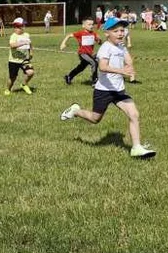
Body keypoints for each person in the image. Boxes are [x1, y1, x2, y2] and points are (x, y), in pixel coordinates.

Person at [60, 16, 156, 159]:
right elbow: (103, 67)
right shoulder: (105, 48)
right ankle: (75, 111)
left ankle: (136, 147)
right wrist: (122, 71)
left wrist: (129, 66)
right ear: (107, 34)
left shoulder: (121, 45)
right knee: (95, 118)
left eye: (122, 30)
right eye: (116, 31)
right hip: (103, 91)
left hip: (118, 90)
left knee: (134, 114)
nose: (120, 34)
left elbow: (127, 57)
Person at [60, 18, 100, 85]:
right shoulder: (80, 33)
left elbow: (99, 42)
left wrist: (99, 40)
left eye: (92, 24)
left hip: (90, 54)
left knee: (81, 67)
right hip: (83, 54)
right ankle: (95, 80)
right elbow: (69, 35)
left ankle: (69, 77)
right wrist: (63, 43)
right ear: (83, 26)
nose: (91, 26)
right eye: (89, 24)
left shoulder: (93, 34)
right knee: (94, 63)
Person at [6, 17, 35, 95]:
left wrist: (31, 52)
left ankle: (24, 84)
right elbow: (12, 45)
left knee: (30, 72)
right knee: (12, 78)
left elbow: (30, 44)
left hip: (24, 60)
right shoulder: (13, 36)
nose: (24, 27)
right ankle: (8, 89)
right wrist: (22, 43)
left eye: (23, 25)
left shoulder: (27, 35)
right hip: (13, 61)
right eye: (22, 25)